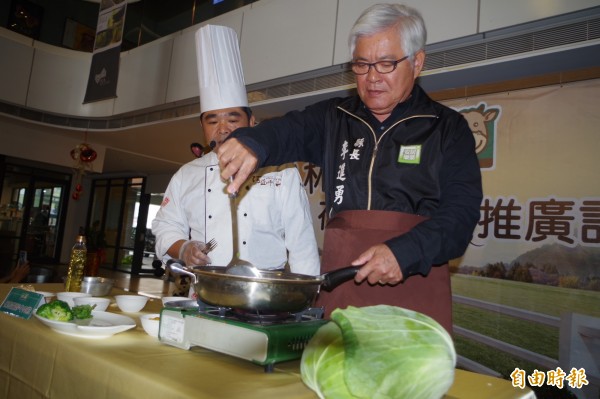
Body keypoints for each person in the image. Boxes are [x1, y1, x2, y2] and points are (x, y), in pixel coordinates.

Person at [216, 4, 483, 332]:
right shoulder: (335, 117)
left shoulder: (446, 128)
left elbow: (460, 218)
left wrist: (406, 252)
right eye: (361, 64)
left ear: (417, 62)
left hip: (414, 283)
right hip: (342, 282)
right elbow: (289, 130)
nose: (372, 78)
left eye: (385, 64)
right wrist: (252, 142)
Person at [152, 25, 320, 288]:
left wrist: (307, 296)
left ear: (252, 122)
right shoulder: (186, 174)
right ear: (203, 127)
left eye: (233, 118)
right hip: (204, 289)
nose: (223, 128)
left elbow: (301, 241)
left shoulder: (281, 171)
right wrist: (184, 248)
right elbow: (164, 226)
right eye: (212, 121)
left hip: (264, 291)